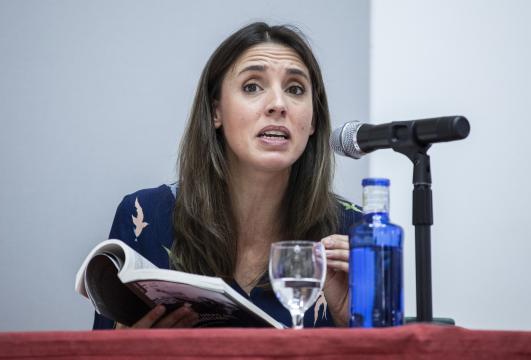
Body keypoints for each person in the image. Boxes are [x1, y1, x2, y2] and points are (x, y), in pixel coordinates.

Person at [93, 22, 362, 330]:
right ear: (215, 111)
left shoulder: (354, 233)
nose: (278, 104)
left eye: (295, 89)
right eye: (252, 86)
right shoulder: (144, 218)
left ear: (313, 120)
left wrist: (358, 324)